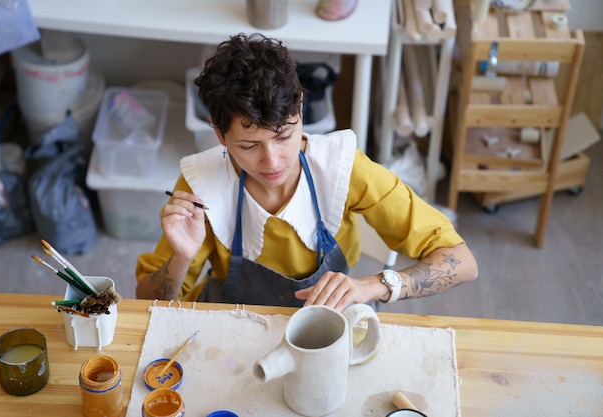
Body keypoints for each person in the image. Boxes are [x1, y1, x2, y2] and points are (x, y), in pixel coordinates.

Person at [136, 33, 478, 310]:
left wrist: (376, 284)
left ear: (300, 107)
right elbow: (148, 303)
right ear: (219, 134)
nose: (273, 162)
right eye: (249, 146)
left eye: (284, 137)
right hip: (233, 324)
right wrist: (181, 258)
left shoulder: (342, 168)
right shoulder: (202, 186)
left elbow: (462, 262)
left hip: (331, 320)